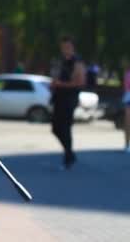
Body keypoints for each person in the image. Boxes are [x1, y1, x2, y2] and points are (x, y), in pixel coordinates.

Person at [50, 36, 85, 169]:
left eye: (68, 47)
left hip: (70, 99)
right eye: (63, 47)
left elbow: (80, 82)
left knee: (65, 128)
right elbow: (56, 77)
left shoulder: (78, 62)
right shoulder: (61, 61)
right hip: (59, 98)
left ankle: (68, 158)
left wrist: (61, 84)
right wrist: (54, 84)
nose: (65, 50)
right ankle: (70, 154)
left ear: (73, 48)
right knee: (55, 128)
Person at [123, 61, 130, 153]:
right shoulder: (128, 73)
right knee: (128, 123)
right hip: (129, 98)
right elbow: (126, 87)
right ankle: (127, 144)